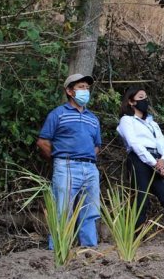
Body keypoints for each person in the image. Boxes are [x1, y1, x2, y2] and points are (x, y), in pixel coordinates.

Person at [36, 74, 101, 248]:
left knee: (90, 210)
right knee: (62, 210)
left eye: (87, 88)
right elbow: (42, 142)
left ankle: (89, 250)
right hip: (65, 166)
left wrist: (87, 159)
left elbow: (97, 146)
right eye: (81, 87)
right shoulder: (58, 114)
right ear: (69, 91)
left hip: (90, 167)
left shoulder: (93, 118)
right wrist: (60, 159)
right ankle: (58, 250)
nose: (85, 91)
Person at [116, 87, 164, 239]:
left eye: (145, 98)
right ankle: (137, 239)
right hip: (139, 159)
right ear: (131, 101)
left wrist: (163, 160)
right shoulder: (127, 120)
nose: (145, 101)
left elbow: (163, 144)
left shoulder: (153, 124)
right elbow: (134, 143)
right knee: (140, 199)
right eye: (141, 97)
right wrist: (154, 164)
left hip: (157, 159)